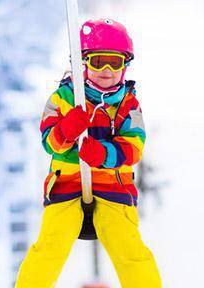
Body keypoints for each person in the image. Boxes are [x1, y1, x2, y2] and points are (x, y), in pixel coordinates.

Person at [15, 18, 161, 288]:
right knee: (49, 248)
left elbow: (134, 148)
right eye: (97, 62)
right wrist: (67, 130)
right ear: (83, 63)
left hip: (113, 188)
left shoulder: (129, 105)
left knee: (131, 251)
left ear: (125, 66)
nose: (106, 70)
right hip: (67, 185)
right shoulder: (63, 98)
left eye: (114, 63)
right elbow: (50, 142)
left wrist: (103, 154)